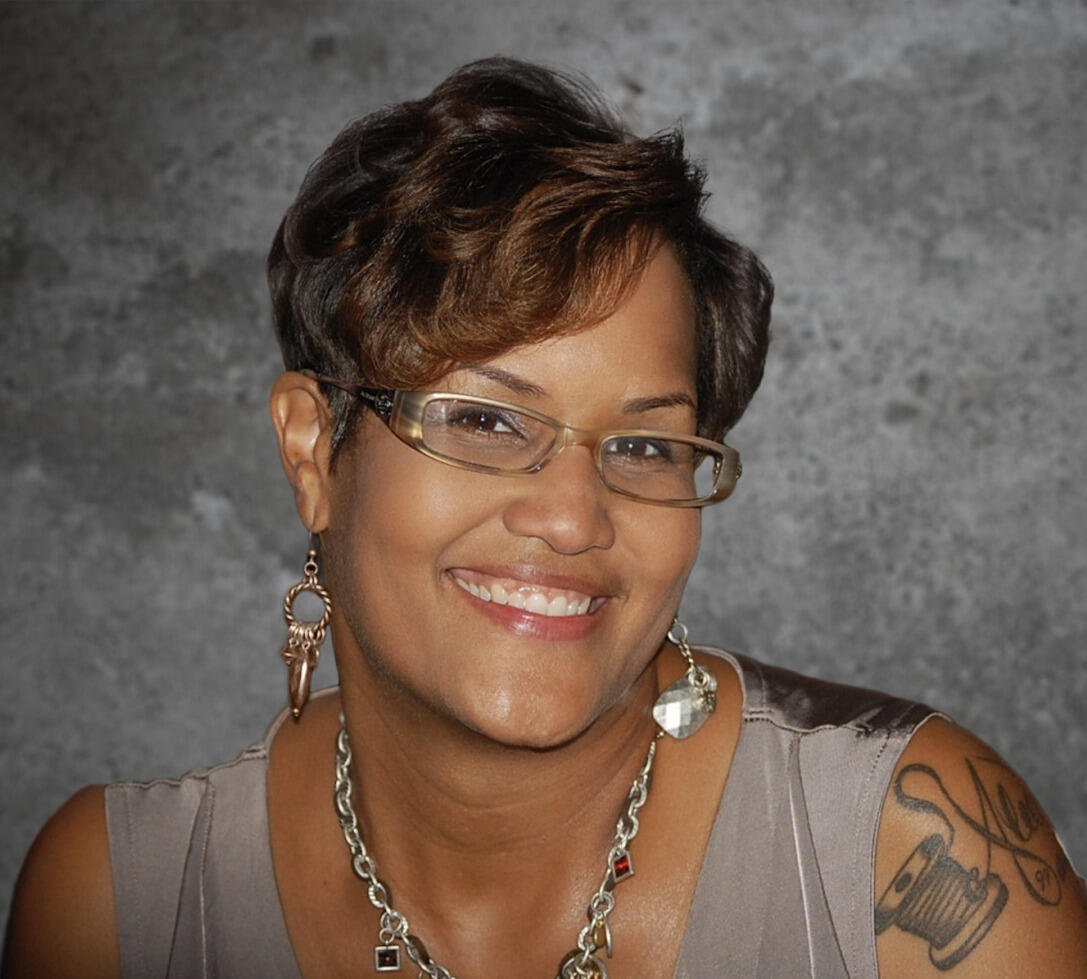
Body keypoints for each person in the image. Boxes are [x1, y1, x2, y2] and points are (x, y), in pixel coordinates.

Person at [4, 57, 1086, 979]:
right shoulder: (112, 905)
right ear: (312, 453)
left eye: (649, 445)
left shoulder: (911, 851)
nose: (573, 518)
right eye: (482, 419)